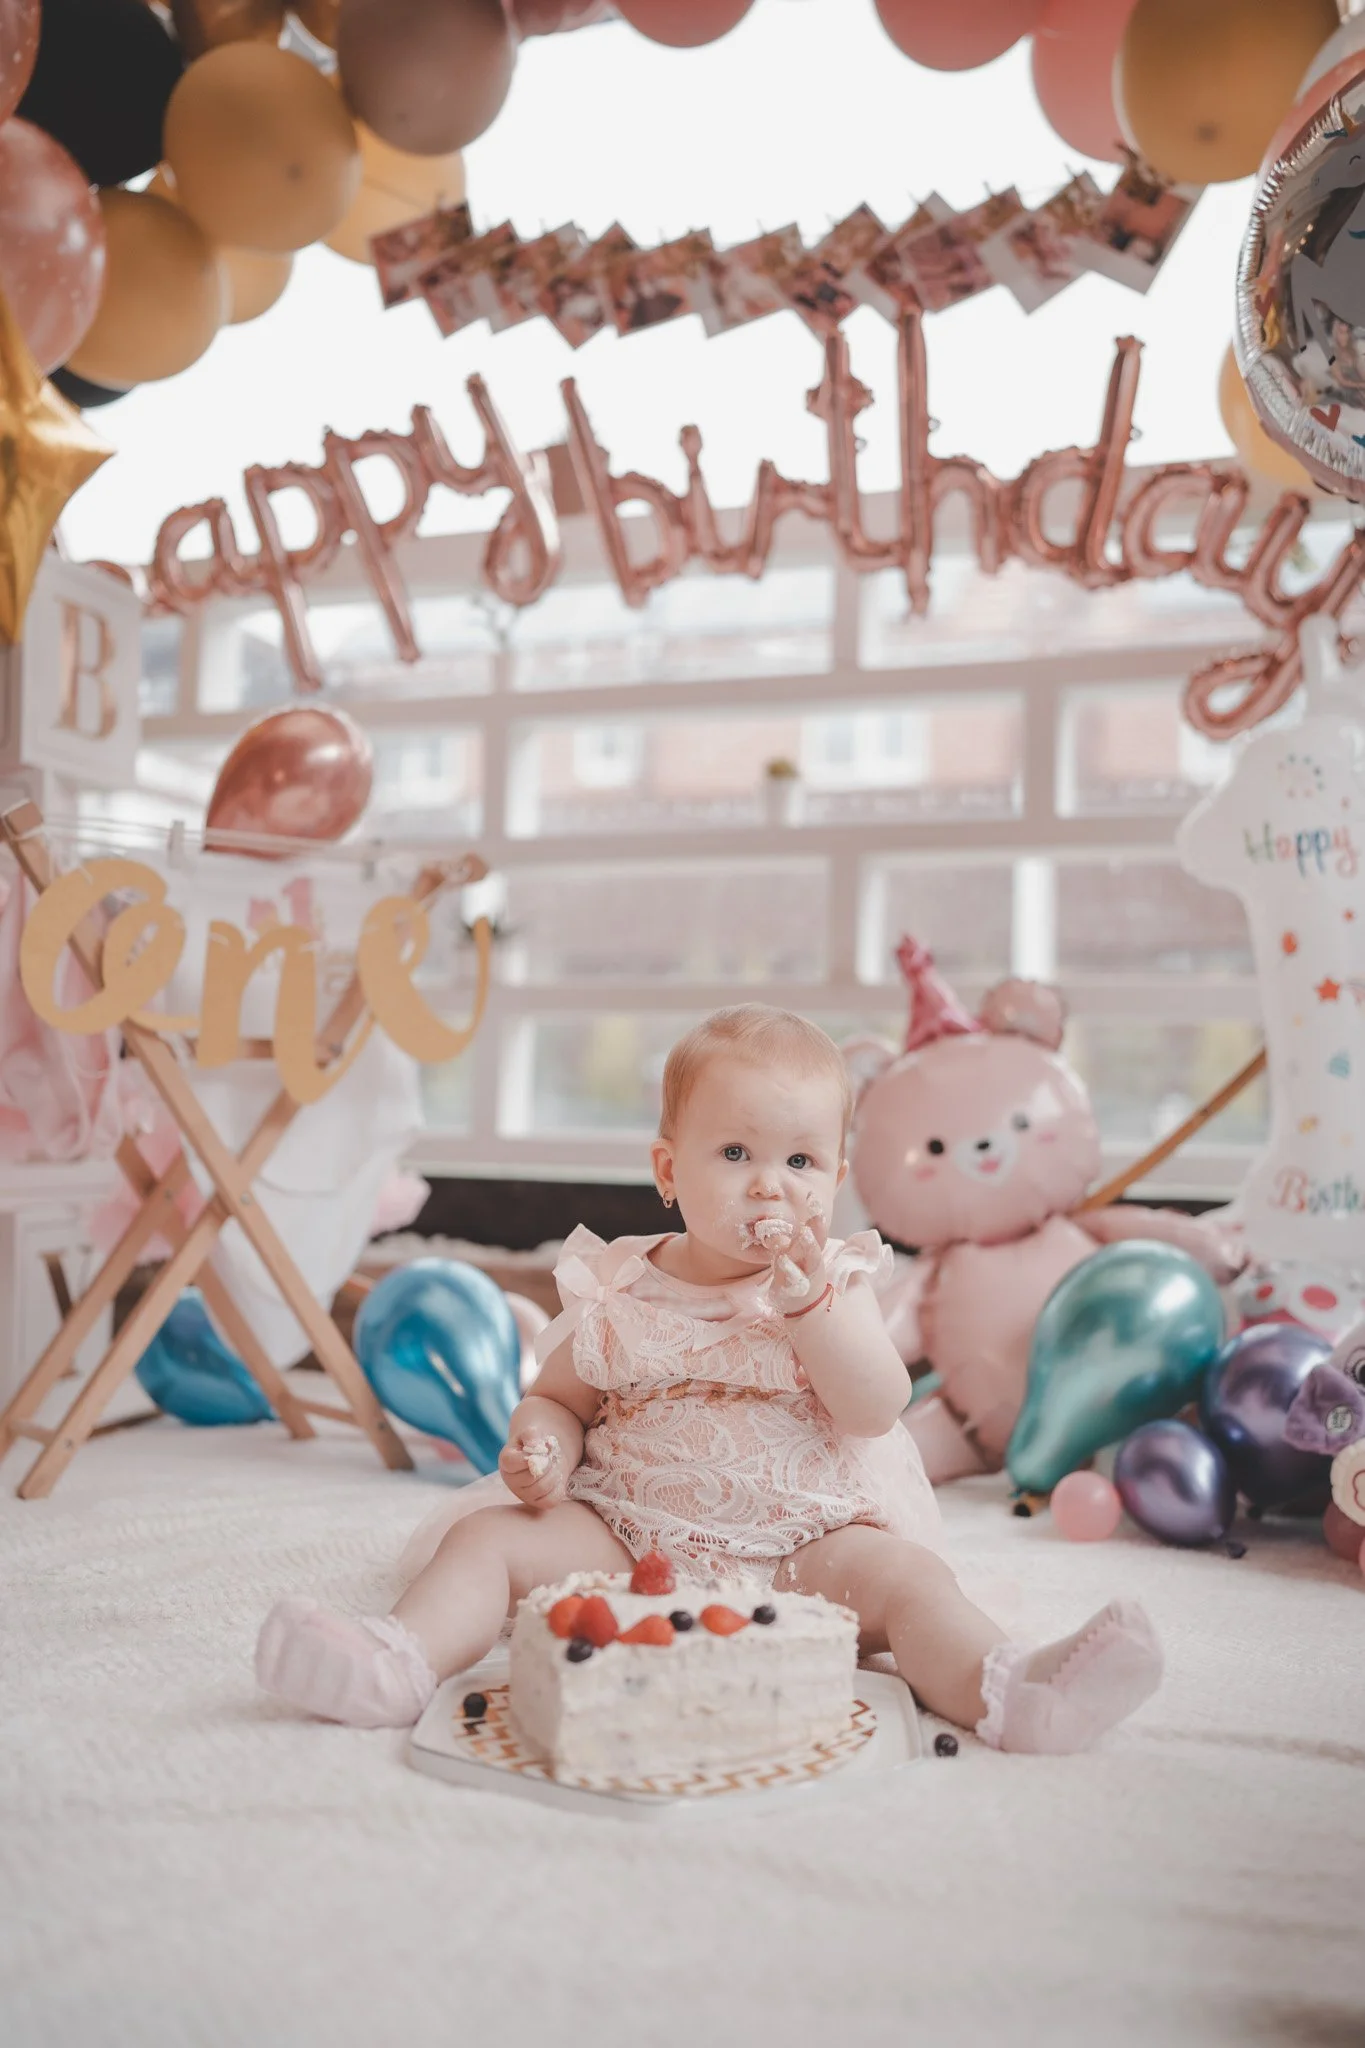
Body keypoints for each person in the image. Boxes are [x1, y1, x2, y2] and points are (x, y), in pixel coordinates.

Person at [257, 1005, 1162, 1753]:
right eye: (735, 1155)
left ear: (836, 1179)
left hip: (804, 1543)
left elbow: (875, 1407)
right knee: (487, 1540)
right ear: (668, 1170)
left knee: (910, 1582)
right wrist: (543, 1443)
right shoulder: (620, 1286)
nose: (770, 1186)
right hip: (625, 1536)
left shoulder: (832, 1283)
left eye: (800, 1162)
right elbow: (560, 1395)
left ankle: (1014, 1693)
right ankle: (395, 1661)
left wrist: (813, 1313)